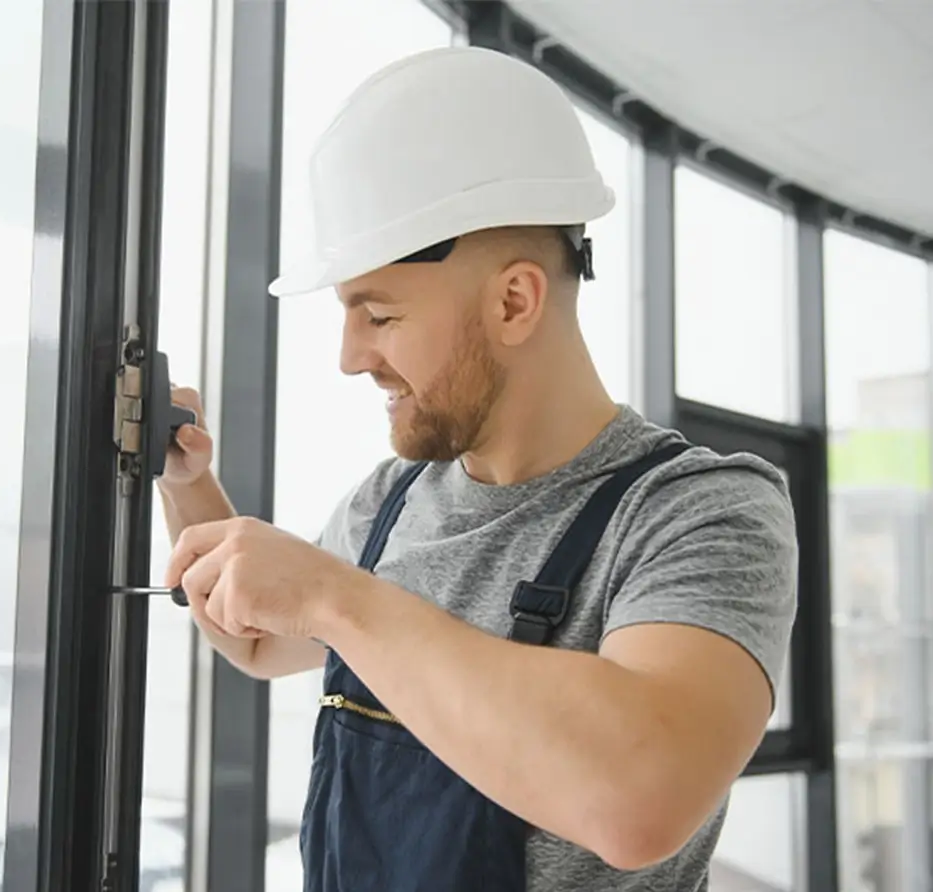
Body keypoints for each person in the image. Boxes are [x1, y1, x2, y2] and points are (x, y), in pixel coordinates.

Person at [157, 46, 797, 892]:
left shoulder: (696, 509)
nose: (350, 358)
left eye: (377, 314)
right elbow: (259, 640)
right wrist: (186, 482)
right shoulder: (390, 502)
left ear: (513, 301)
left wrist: (335, 596)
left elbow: (639, 800)